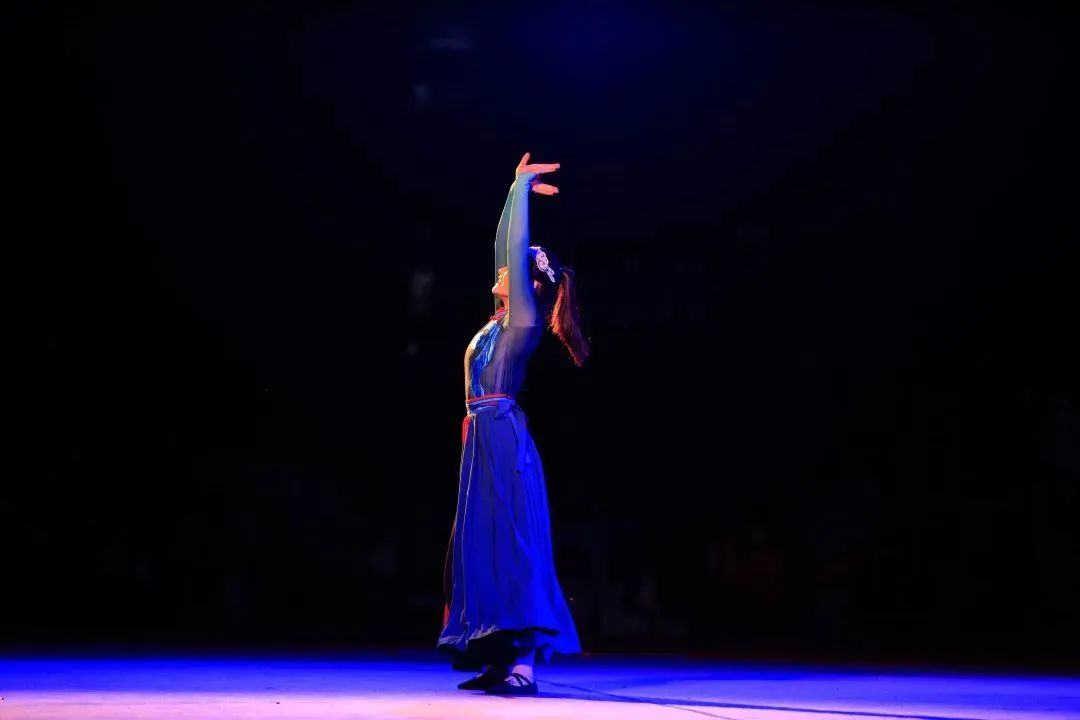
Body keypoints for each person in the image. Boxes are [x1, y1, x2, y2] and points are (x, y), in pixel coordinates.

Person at [437, 153, 590, 696]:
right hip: (482, 439)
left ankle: (523, 665)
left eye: (514, 268)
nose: (503, 269)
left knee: (512, 544)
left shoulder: (523, 323)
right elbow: (503, 244)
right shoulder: (499, 321)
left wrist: (522, 193)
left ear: (530, 287)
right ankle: (495, 656)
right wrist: (513, 189)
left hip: (502, 438)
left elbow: (512, 249)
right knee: (481, 546)